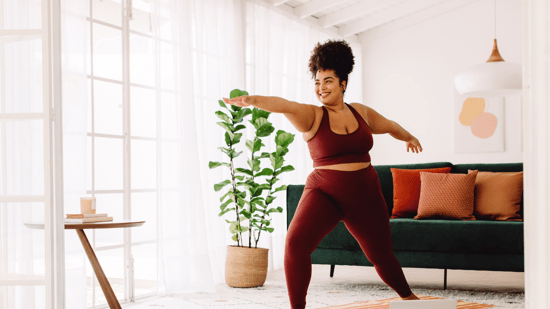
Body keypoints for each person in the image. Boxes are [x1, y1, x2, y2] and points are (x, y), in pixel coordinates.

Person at [222, 39, 422, 309]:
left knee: (382, 255)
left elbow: (389, 125)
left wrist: (408, 137)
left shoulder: (361, 112)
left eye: (328, 81)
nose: (321, 88)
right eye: (317, 82)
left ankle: (409, 299)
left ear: (343, 83)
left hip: (366, 194)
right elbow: (285, 105)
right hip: (325, 193)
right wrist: (252, 101)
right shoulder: (313, 116)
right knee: (295, 244)